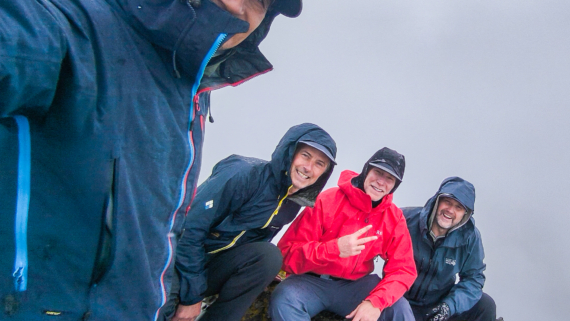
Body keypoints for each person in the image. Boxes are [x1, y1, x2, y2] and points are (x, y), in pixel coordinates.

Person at [1, 0, 305, 319]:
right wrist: (189, 295)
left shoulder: (193, 93)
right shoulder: (69, 24)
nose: (237, 5)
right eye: (305, 156)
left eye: (260, 1)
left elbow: (167, 223)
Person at [163, 123, 336, 321]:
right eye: (305, 155)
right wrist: (192, 296)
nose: (309, 168)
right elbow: (188, 229)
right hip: (172, 260)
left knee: (268, 257)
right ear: (290, 151)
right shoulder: (243, 174)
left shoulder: (291, 201)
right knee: (159, 309)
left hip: (210, 268)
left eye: (319, 163)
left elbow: (257, 244)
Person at [271, 148, 416, 321]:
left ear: (395, 186)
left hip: (356, 287)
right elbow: (287, 253)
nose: (381, 181)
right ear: (366, 170)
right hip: (310, 283)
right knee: (284, 299)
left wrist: (376, 302)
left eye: (389, 178)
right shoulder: (328, 200)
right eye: (378, 172)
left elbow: (404, 269)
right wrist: (334, 248)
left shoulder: (394, 217)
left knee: (399, 308)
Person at [401, 177, 497, 321]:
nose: (450, 210)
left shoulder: (470, 238)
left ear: (466, 214)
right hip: (398, 299)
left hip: (438, 307)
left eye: (458, 207)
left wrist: (449, 307)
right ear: (437, 201)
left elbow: (474, 278)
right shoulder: (406, 219)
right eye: (447, 202)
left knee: (486, 305)